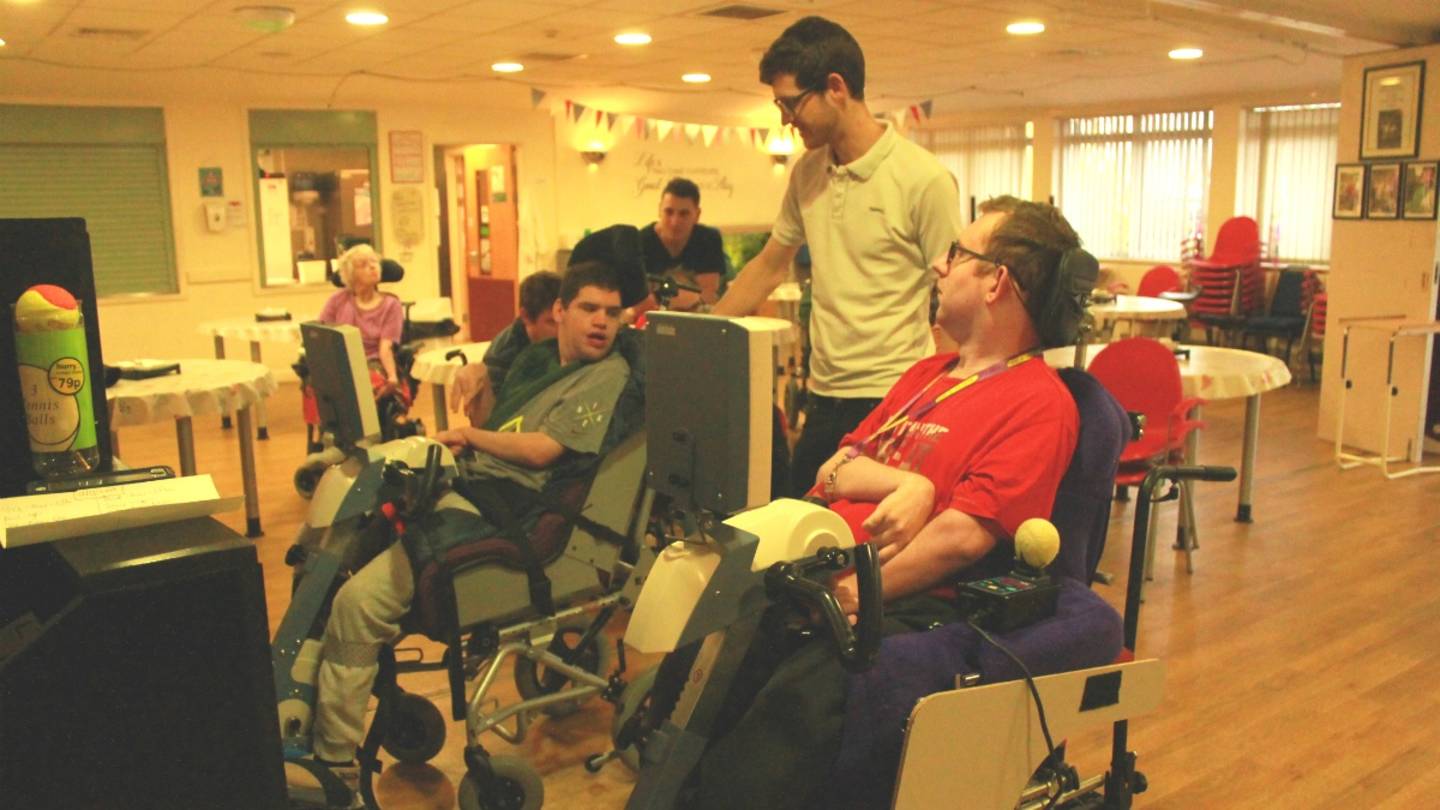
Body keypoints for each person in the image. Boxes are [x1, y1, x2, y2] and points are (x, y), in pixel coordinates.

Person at [690, 197, 1091, 810]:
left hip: (893, 599)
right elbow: (833, 469)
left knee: (766, 736)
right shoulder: (928, 374)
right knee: (693, 684)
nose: (938, 264)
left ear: (996, 282)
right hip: (810, 566)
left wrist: (850, 594)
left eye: (957, 253)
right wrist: (911, 486)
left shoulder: (1039, 401)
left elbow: (961, 538)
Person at [306, 261, 630, 796]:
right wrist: (477, 376)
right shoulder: (540, 357)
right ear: (560, 312)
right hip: (475, 485)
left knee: (354, 604)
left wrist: (470, 435)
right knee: (337, 557)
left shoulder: (607, 376)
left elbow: (544, 448)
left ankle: (336, 765)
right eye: (589, 308)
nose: (601, 322)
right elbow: (501, 361)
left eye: (612, 313)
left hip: (505, 507)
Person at [711, 16, 963, 499]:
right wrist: (704, 332)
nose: (785, 119)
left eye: (791, 103)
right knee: (793, 535)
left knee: (867, 551)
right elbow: (768, 264)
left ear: (835, 87)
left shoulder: (923, 179)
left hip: (896, 398)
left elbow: (955, 294)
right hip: (824, 396)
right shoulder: (807, 173)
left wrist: (946, 403)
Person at [446, 270, 561, 425]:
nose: (562, 330)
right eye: (551, 322)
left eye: (563, 319)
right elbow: (490, 423)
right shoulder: (502, 355)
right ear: (526, 316)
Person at [319, 244, 405, 387]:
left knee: (366, 383)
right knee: (314, 384)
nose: (372, 267)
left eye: (374, 262)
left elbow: (385, 348)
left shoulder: (391, 304)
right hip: (340, 360)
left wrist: (392, 376)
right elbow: (320, 334)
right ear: (351, 274)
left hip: (372, 361)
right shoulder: (337, 300)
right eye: (363, 264)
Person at [640, 177, 727, 311]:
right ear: (659, 210)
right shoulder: (641, 241)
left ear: (697, 214)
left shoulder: (708, 239)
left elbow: (709, 295)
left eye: (684, 214)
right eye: (669, 212)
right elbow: (639, 301)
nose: (675, 222)